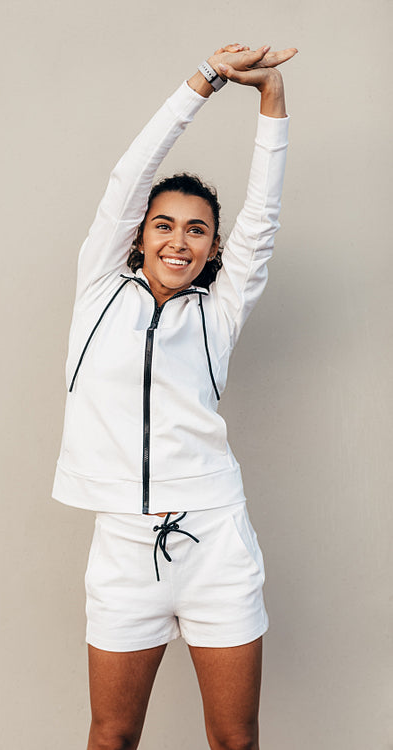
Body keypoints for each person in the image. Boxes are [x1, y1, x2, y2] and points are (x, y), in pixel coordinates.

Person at [52, 41, 297, 750]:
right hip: (127, 547)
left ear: (214, 248)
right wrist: (203, 81)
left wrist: (272, 99)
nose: (179, 241)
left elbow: (264, 221)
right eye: (164, 225)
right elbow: (129, 177)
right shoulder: (99, 286)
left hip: (217, 539)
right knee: (111, 737)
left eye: (197, 230)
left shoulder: (217, 314)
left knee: (236, 741)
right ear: (138, 236)